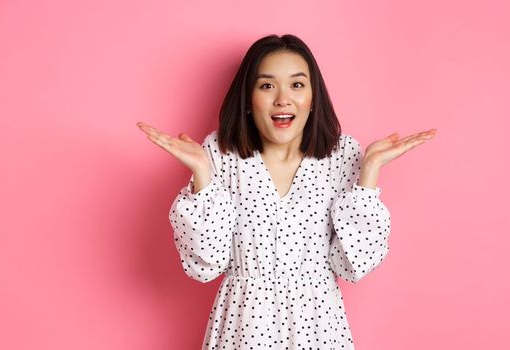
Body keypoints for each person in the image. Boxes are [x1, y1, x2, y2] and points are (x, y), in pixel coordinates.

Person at [138, 34, 436, 349]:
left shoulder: (343, 155)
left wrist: (369, 174)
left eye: (297, 85)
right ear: (248, 101)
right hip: (243, 326)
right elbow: (206, 263)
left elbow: (352, 265)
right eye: (267, 86)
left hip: (318, 327)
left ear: (313, 98)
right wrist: (201, 173)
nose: (283, 99)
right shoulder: (220, 154)